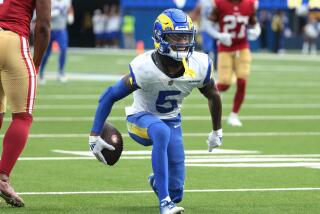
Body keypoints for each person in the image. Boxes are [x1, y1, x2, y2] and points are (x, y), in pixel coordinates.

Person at [89, 9, 222, 214]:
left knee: (177, 191)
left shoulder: (199, 64)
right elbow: (109, 95)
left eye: (186, 36)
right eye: (175, 36)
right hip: (139, 119)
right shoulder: (145, 67)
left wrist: (216, 131)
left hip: (172, 120)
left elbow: (213, 95)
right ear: (161, 38)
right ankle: (165, 203)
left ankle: (163, 188)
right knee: (161, 132)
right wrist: (94, 134)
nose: (182, 42)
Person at [0, 0, 51, 207]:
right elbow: (43, 25)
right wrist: (36, 62)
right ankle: (2, 178)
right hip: (13, 41)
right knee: (23, 116)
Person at [209, 0, 261, 126]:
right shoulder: (219, 3)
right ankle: (209, 90)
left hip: (242, 47)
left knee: (242, 81)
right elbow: (208, 25)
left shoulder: (249, 4)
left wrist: (257, 31)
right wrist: (219, 35)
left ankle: (234, 115)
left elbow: (254, 22)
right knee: (225, 84)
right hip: (225, 48)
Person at [39, 0, 74, 84]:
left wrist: (71, 15)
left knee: (63, 49)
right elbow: (42, 13)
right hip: (50, 29)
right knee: (46, 53)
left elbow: (70, 9)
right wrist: (52, 13)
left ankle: (61, 73)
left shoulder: (67, 1)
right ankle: (41, 72)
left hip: (61, 29)